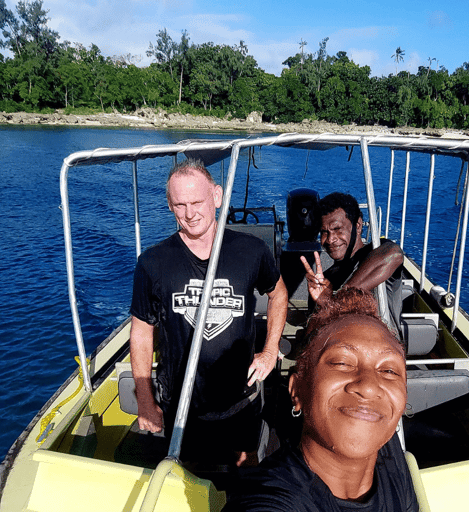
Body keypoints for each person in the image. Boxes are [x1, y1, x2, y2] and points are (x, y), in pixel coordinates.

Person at [129, 159, 288, 467]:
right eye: (180, 204)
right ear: (170, 206)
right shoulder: (152, 263)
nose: (190, 214)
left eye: (197, 202)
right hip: (182, 403)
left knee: (247, 467)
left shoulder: (251, 251)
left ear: (217, 196)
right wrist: (146, 401)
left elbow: (278, 293)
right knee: (190, 476)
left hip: (241, 398)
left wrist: (269, 352)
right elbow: (141, 332)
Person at [223, 288, 419, 511]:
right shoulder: (270, 499)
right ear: (297, 391)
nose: (368, 387)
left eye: (389, 371)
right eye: (342, 363)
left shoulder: (387, 446)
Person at [301, 192, 404, 321]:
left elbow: (394, 254)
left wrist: (339, 298)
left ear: (358, 226)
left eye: (338, 229)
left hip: (385, 338)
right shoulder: (325, 280)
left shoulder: (375, 254)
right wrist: (323, 303)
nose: (330, 239)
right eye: (324, 232)